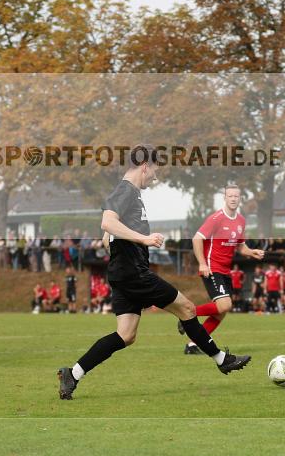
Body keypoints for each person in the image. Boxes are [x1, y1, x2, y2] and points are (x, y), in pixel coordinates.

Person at [57, 146, 251, 400]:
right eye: (155, 171)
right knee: (188, 309)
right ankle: (221, 359)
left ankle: (73, 373)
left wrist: (125, 244)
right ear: (144, 166)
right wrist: (144, 239)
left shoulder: (132, 194)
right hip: (134, 274)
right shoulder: (125, 190)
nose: (155, 177)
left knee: (126, 335)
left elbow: (107, 236)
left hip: (123, 273)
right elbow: (107, 223)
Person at [180, 185, 264, 354]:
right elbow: (197, 239)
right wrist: (202, 264)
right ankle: (186, 315)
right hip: (212, 267)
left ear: (240, 199)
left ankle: (192, 345)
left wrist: (251, 252)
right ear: (225, 198)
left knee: (220, 312)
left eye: (236, 196)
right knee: (224, 305)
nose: (233, 199)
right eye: (230, 196)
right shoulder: (216, 218)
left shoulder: (241, 220)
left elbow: (240, 246)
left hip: (225, 270)